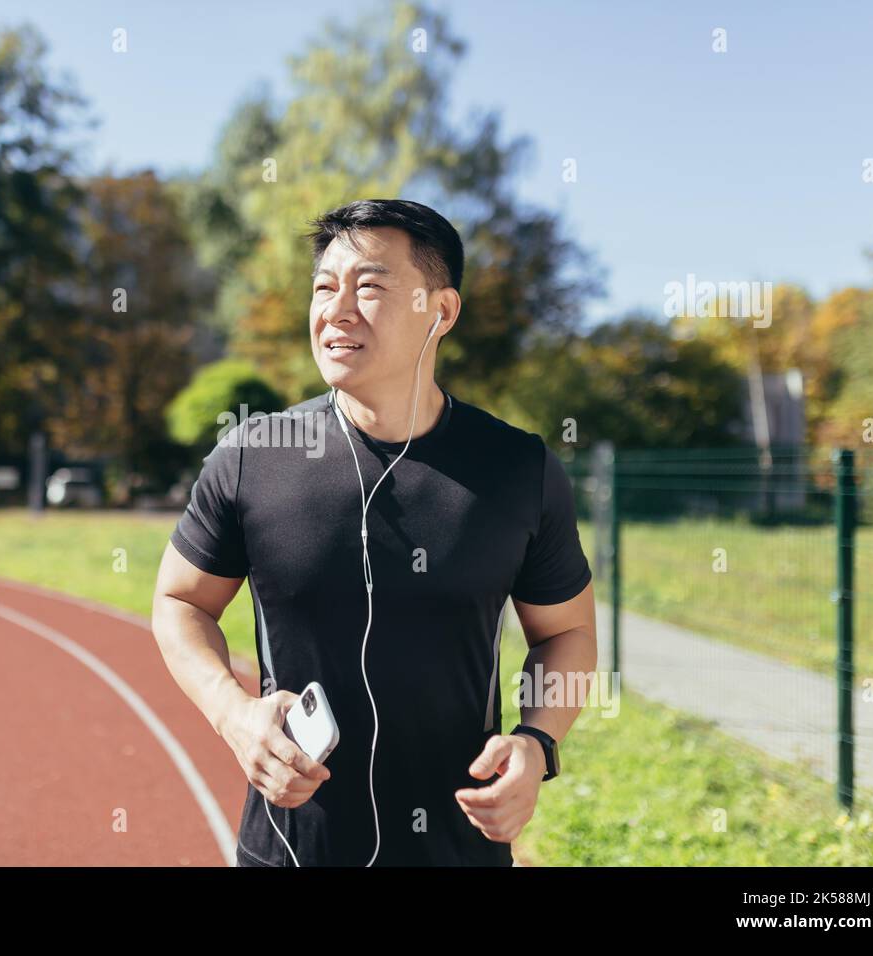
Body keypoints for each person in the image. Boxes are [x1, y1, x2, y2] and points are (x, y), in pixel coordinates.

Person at [151, 198, 597, 866]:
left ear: (440, 311)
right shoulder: (252, 458)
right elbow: (179, 601)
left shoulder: (517, 469)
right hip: (290, 847)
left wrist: (537, 742)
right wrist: (232, 713)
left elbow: (566, 632)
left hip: (460, 852)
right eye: (325, 288)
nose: (337, 309)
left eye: (369, 287)